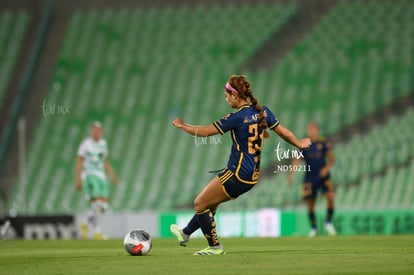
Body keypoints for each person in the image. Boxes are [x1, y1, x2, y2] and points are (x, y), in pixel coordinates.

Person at [170, 75, 311, 255]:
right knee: (210, 205)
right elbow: (283, 132)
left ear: (235, 96)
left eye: (227, 95)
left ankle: (215, 247)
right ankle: (185, 233)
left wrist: (182, 125)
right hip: (251, 176)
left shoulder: (237, 117)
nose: (226, 99)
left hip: (237, 173)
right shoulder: (263, 112)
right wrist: (299, 143)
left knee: (200, 203)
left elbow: (205, 132)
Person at [287, 122, 336, 237]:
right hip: (309, 177)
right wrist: (291, 175)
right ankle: (313, 228)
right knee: (310, 203)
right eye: (310, 129)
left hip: (323, 176)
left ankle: (329, 222)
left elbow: (332, 159)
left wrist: (326, 168)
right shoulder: (303, 144)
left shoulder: (323, 143)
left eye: (313, 129)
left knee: (330, 196)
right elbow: (296, 160)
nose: (312, 132)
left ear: (317, 130)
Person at [75, 121, 119, 240]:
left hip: (101, 176)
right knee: (97, 203)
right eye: (94, 130)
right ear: (91, 131)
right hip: (90, 174)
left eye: (98, 130)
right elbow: (79, 161)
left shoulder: (103, 144)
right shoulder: (86, 144)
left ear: (101, 132)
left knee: (103, 206)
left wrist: (112, 175)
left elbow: (105, 161)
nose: (96, 132)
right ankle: (97, 232)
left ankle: (84, 223)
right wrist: (78, 179)